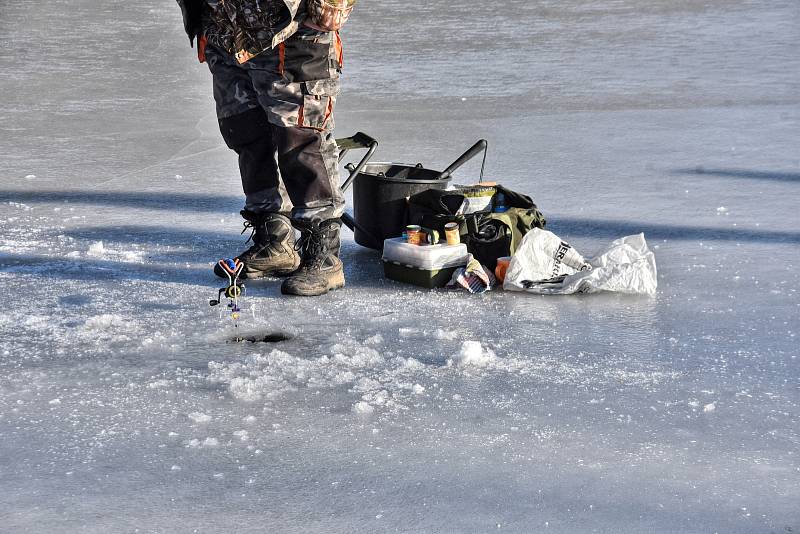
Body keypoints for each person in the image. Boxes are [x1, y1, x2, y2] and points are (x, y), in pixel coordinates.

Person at [176, 0, 354, 296]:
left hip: (287, 30)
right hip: (224, 29)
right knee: (246, 134)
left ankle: (323, 256)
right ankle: (275, 241)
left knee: (302, 139)